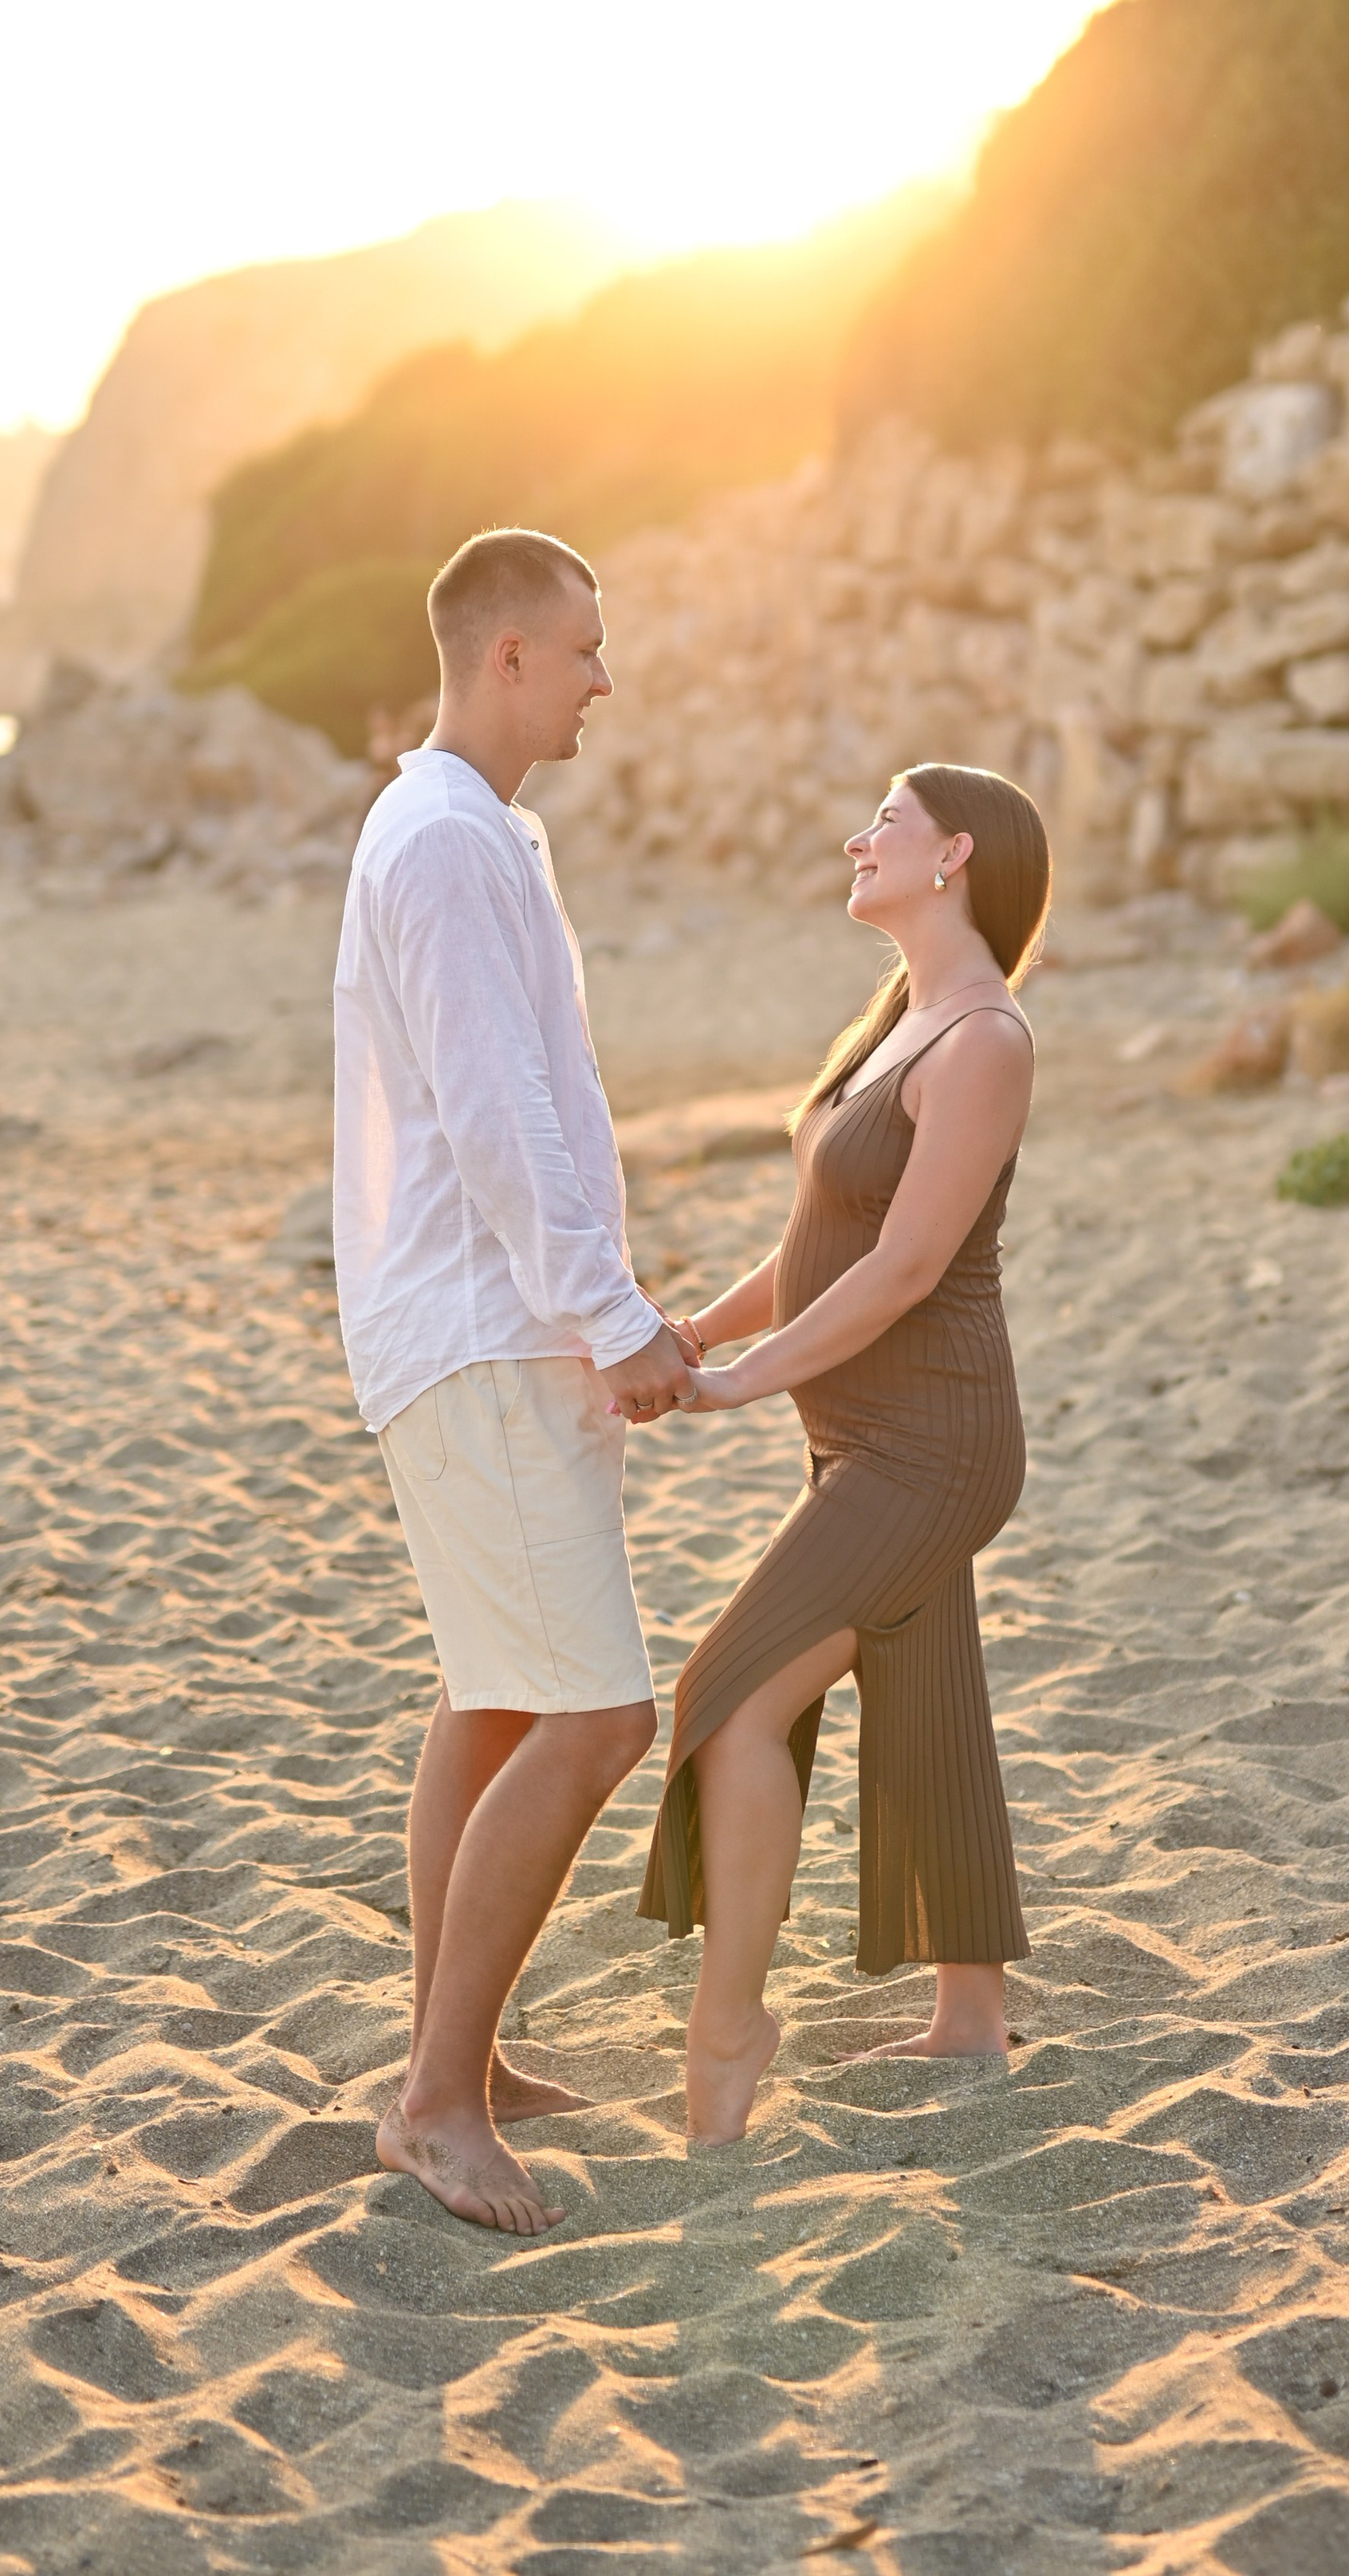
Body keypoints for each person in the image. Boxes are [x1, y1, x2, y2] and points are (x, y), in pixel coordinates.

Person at [332, 525, 696, 2233]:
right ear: (506, 659)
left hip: (483, 1329)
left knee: (492, 1696)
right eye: (584, 648)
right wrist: (606, 1315)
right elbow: (494, 1112)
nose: (604, 679)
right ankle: (434, 2099)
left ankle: (453, 2052)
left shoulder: (479, 830)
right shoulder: (442, 845)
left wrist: (596, 1303)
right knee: (599, 1714)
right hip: (480, 1333)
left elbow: (525, 1100)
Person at [631, 761, 1048, 2142]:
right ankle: (972, 2020)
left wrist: (748, 1381)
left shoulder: (984, 1039)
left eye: (888, 822)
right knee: (926, 1686)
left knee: (730, 1701)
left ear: (955, 857)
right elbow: (824, 1237)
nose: (857, 839)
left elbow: (912, 1263)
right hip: (866, 1429)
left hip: (930, 1439)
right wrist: (698, 1326)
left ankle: (733, 2031)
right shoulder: (900, 1018)